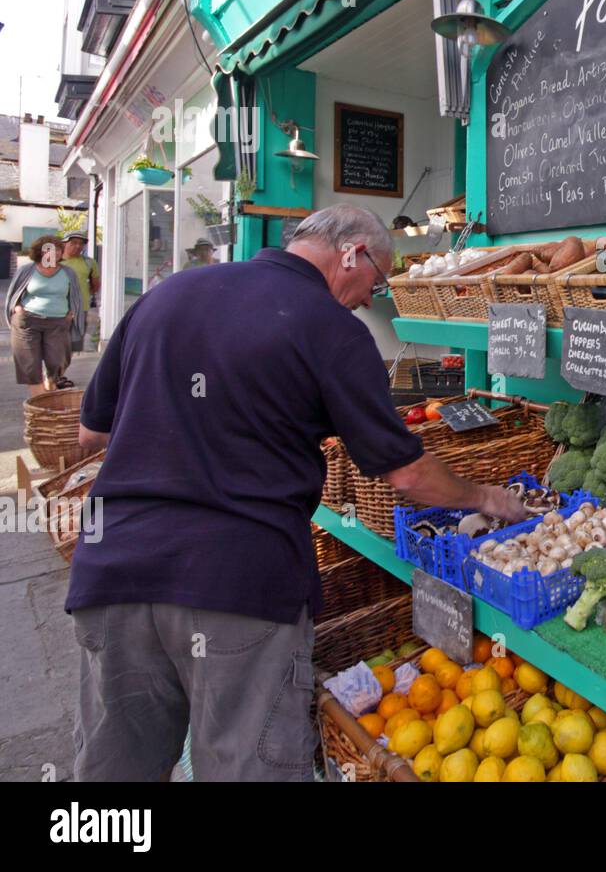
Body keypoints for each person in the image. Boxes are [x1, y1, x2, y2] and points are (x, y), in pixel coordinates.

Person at [68, 204, 527, 781]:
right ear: (351, 254)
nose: (368, 298)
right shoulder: (332, 330)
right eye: (377, 281)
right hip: (237, 585)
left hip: (114, 570)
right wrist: (485, 498)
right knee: (246, 767)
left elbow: (93, 431)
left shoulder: (168, 295)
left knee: (112, 777)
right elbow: (405, 474)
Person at [6, 235, 85, 396]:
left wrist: (72, 313)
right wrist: (17, 308)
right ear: (40, 252)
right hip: (27, 322)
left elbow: (75, 295)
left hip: (58, 323)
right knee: (29, 364)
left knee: (57, 361)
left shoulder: (68, 272)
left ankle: (51, 382)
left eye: (58, 250)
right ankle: (42, 403)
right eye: (49, 249)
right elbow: (14, 294)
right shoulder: (27, 270)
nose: (54, 253)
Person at [56, 229, 100, 385]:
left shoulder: (89, 262)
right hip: (55, 311)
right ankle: (53, 377)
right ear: (64, 243)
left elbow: (95, 285)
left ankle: (56, 375)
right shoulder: (55, 261)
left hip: (80, 310)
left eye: (80, 244)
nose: (77, 246)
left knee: (72, 346)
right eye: (73, 243)